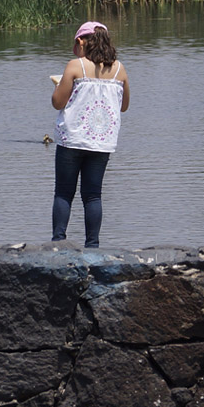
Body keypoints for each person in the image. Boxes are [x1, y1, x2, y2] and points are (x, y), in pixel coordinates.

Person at [51, 21, 130, 248]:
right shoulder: (119, 69)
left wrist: (58, 87)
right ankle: (93, 246)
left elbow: (58, 102)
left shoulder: (76, 66)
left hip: (71, 141)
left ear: (80, 42)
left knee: (64, 193)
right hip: (101, 144)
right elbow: (124, 105)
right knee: (93, 196)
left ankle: (58, 244)